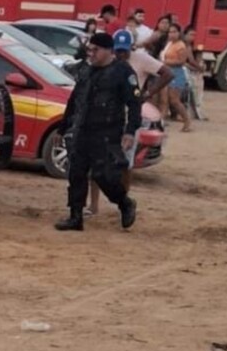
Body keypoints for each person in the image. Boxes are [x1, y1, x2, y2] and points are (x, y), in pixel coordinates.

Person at [56, 33, 139, 232]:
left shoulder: (122, 71)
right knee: (76, 174)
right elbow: (74, 100)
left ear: (109, 50)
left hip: (107, 132)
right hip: (82, 130)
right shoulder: (86, 70)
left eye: (96, 50)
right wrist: (63, 127)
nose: (91, 54)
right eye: (89, 50)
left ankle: (124, 203)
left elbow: (135, 103)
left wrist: (130, 132)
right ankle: (75, 217)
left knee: (105, 176)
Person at [87, 29, 173, 216]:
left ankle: (123, 204)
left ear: (131, 48)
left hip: (130, 118)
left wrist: (148, 93)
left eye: (125, 50)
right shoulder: (105, 63)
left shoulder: (141, 60)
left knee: (126, 164)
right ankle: (93, 205)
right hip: (105, 119)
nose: (121, 54)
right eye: (118, 50)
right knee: (96, 163)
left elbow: (167, 73)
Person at [159, 23, 193, 132]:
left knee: (174, 100)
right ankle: (161, 122)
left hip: (176, 74)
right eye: (170, 32)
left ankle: (187, 121)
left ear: (179, 33)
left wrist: (166, 62)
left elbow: (181, 61)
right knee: (164, 100)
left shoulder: (181, 46)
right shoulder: (169, 44)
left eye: (174, 32)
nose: (171, 34)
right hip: (166, 73)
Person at [183, 26, 207, 121]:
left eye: (194, 35)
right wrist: (199, 68)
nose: (192, 37)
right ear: (185, 35)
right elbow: (190, 61)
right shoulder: (184, 46)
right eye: (190, 34)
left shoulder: (189, 46)